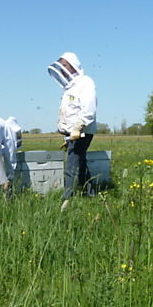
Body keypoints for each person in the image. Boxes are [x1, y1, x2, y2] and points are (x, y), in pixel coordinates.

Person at [48, 52, 98, 198]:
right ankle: (90, 194)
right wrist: (68, 136)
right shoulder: (69, 88)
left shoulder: (85, 82)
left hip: (82, 131)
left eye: (65, 65)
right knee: (80, 162)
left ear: (73, 65)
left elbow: (89, 108)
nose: (63, 69)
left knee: (71, 164)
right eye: (61, 66)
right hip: (72, 133)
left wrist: (78, 126)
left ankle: (67, 197)